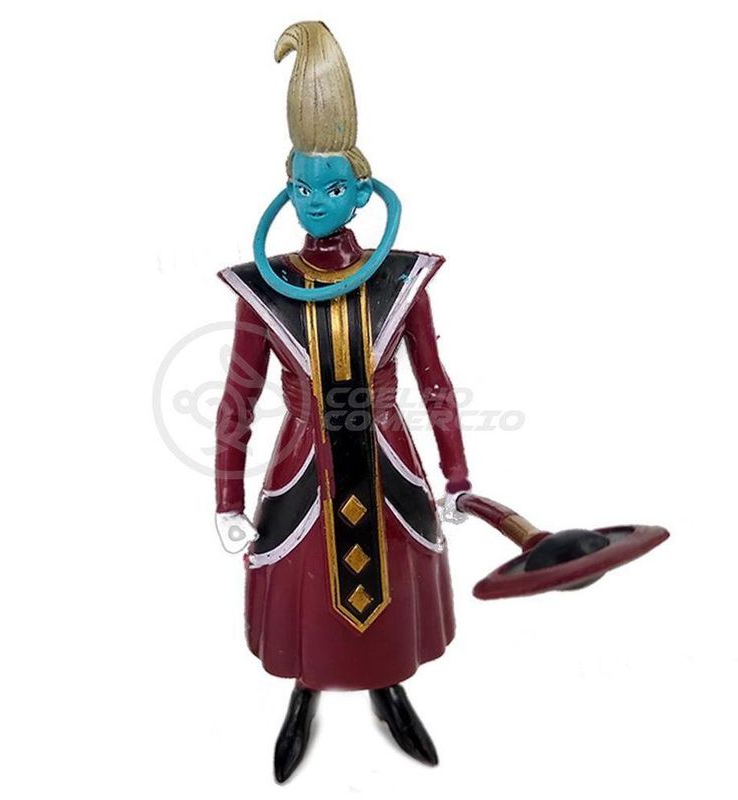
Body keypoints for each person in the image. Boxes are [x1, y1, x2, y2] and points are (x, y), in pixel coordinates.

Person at [214, 21, 472, 783]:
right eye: (301, 188)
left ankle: (390, 684)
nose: (314, 203)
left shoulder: (402, 279)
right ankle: (306, 689)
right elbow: (238, 396)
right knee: (307, 590)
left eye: (331, 189)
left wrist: (457, 475)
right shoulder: (264, 288)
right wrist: (226, 496)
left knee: (389, 577)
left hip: (390, 462)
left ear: (363, 193)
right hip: (303, 467)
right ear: (283, 190)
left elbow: (434, 382)